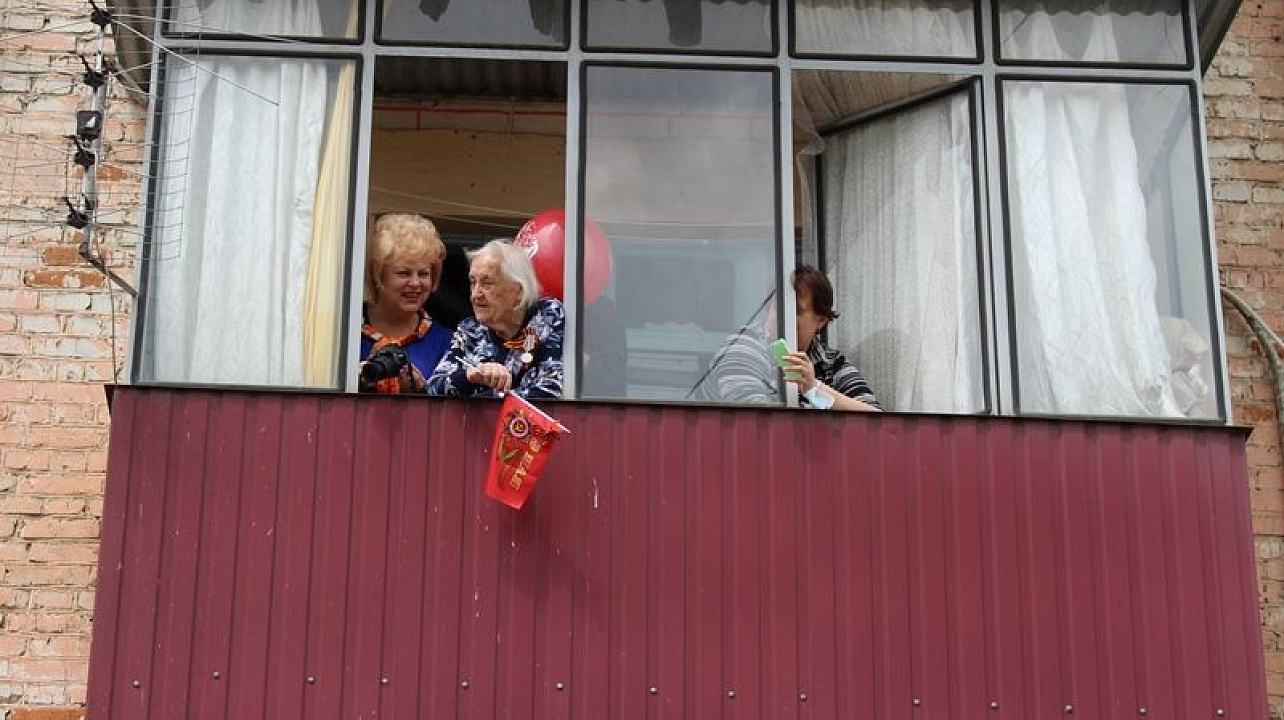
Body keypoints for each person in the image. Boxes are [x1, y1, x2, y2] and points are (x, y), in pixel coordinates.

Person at [694, 265, 880, 412]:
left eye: (796, 311)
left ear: (821, 320)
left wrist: (814, 389)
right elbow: (754, 416)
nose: (783, 317)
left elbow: (874, 420)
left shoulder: (830, 362)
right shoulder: (742, 347)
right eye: (777, 307)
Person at [427, 239, 564, 399]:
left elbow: (551, 389)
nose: (475, 294)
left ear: (518, 291)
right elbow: (434, 388)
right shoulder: (470, 330)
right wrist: (470, 376)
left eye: (487, 283)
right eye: (473, 283)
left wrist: (484, 402)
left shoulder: (547, 317)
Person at [359, 213, 453, 394]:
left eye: (424, 274)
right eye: (404, 273)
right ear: (378, 275)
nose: (416, 283)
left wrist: (422, 390)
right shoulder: (345, 335)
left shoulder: (449, 342)